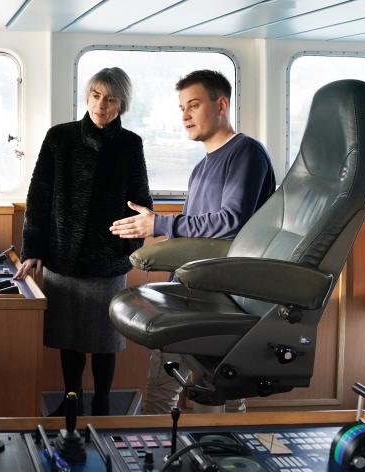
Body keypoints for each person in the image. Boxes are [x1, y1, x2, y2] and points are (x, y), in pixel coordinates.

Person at [109, 69, 276, 415]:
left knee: (213, 396)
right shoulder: (201, 168)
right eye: (181, 107)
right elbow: (196, 233)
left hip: (225, 293)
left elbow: (231, 221)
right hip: (192, 286)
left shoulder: (246, 154)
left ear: (222, 105)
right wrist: (155, 236)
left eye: (194, 105)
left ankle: (220, 456)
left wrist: (161, 222)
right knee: (162, 390)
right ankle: (149, 459)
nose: (185, 115)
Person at [14, 67, 152, 416]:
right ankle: (72, 398)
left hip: (109, 262)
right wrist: (33, 250)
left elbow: (141, 201)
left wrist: (126, 249)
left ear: (122, 104)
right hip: (63, 257)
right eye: (95, 95)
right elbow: (39, 196)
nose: (100, 105)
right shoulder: (60, 137)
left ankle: (103, 402)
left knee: (106, 341)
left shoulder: (130, 144)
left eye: (110, 99)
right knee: (69, 339)